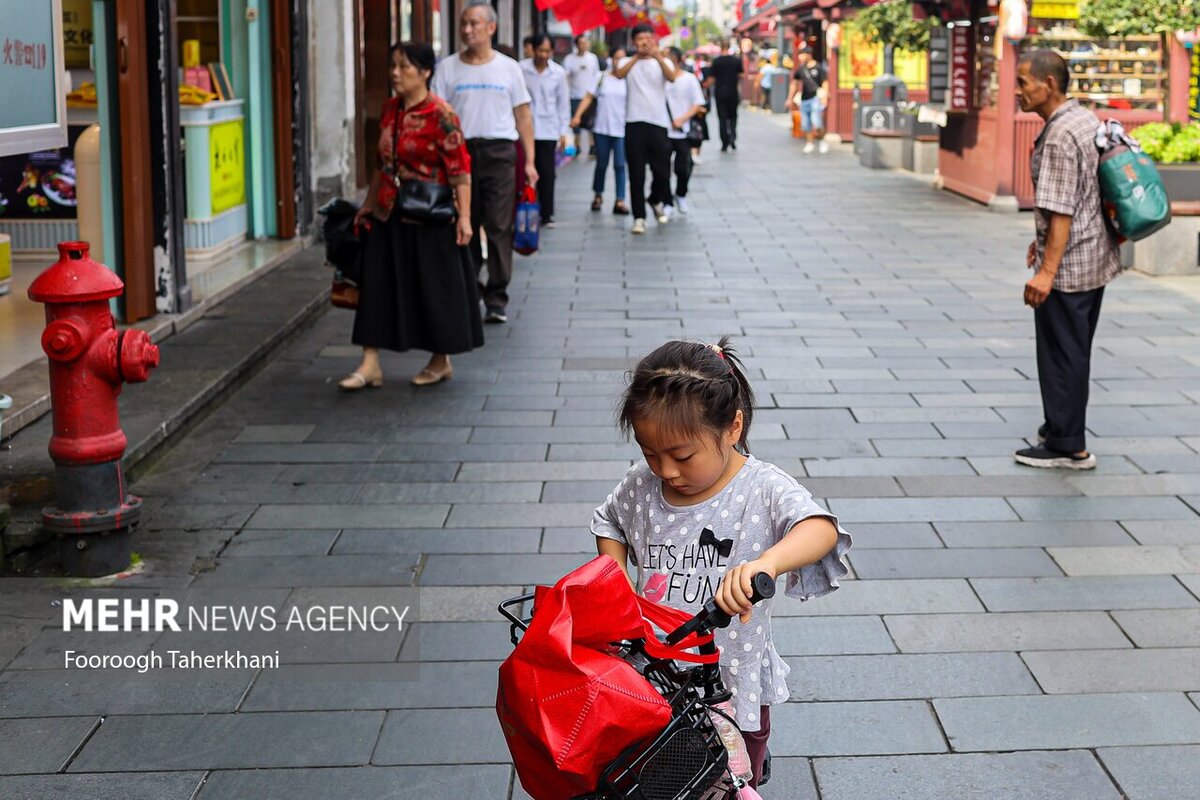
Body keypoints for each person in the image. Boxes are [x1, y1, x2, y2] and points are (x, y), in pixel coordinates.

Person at [591, 337, 852, 789]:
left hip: (730, 677)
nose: (666, 470)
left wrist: (766, 564)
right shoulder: (643, 483)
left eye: (682, 455)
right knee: (658, 776)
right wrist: (614, 583)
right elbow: (609, 521)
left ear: (732, 428)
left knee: (729, 779)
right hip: (654, 674)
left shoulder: (762, 488)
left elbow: (820, 528)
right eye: (651, 453)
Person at [343, 42, 481, 390]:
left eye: (404, 67)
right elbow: (381, 164)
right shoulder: (390, 109)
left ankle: (440, 359)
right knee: (376, 285)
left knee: (432, 289)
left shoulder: (441, 114)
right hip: (388, 211)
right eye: (393, 66)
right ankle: (370, 363)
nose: (395, 73)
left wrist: (464, 218)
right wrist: (368, 204)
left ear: (425, 72)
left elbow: (460, 171)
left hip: (428, 215)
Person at [1014, 50, 1119, 470]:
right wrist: (1040, 243)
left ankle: (1067, 445)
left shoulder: (1058, 134)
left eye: (1024, 82)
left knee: (1062, 353)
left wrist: (1046, 272)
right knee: (1075, 348)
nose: (1017, 91)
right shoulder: (1083, 119)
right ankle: (1061, 425)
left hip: (1071, 266)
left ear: (1049, 85)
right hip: (1096, 255)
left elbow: (1062, 210)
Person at [432, 1, 537, 326]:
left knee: (497, 224)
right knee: (464, 222)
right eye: (464, 24)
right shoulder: (447, 68)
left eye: (474, 24)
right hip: (459, 153)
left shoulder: (508, 68)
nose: (467, 30)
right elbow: (438, 116)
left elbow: (523, 115)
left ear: (491, 27)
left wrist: (530, 161)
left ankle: (496, 296)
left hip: (500, 152)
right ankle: (469, 287)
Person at [613, 23, 676, 234]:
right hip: (634, 122)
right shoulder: (626, 61)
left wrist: (657, 57)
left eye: (648, 39)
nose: (644, 43)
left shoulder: (663, 61)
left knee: (663, 171)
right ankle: (639, 217)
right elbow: (619, 74)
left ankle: (655, 198)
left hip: (658, 123)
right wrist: (636, 57)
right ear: (634, 41)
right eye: (640, 39)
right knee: (636, 173)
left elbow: (672, 76)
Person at [569, 46, 630, 216]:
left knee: (620, 165)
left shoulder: (628, 80)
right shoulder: (600, 77)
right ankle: (598, 195)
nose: (619, 62)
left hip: (621, 129)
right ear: (611, 59)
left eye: (623, 59)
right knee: (601, 163)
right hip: (601, 128)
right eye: (616, 58)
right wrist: (577, 115)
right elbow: (588, 96)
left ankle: (620, 199)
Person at [521, 33, 570, 228]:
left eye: (547, 51)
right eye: (540, 50)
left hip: (548, 129)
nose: (543, 54)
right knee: (526, 171)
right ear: (532, 49)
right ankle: (526, 208)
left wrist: (563, 131)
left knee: (547, 172)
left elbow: (563, 103)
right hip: (525, 129)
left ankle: (547, 213)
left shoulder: (558, 73)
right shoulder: (521, 69)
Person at [664, 47, 706, 216]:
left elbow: (698, 104)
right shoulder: (660, 79)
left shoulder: (689, 79)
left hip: (683, 131)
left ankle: (681, 194)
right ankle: (666, 201)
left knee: (683, 168)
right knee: (662, 168)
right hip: (663, 130)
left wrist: (681, 119)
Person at [563, 34, 600, 157]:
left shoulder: (593, 58)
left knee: (590, 123)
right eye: (581, 43)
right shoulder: (569, 59)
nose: (584, 45)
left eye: (586, 43)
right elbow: (565, 76)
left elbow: (596, 75)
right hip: (574, 95)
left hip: (589, 95)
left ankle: (592, 146)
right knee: (575, 123)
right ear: (577, 45)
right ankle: (577, 146)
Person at [787, 49, 829, 154]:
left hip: (816, 98)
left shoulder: (819, 68)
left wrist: (824, 96)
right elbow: (794, 83)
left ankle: (822, 140)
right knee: (806, 124)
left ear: (809, 55)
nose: (800, 57)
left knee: (817, 122)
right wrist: (790, 98)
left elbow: (825, 82)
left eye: (802, 55)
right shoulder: (801, 69)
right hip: (804, 99)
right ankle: (809, 143)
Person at [704, 40, 743, 152]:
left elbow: (711, 79)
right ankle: (732, 138)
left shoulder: (716, 61)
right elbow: (741, 75)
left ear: (721, 47)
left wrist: (705, 85)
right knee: (733, 117)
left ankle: (724, 141)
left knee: (722, 118)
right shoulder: (736, 60)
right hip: (733, 92)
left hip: (720, 93)